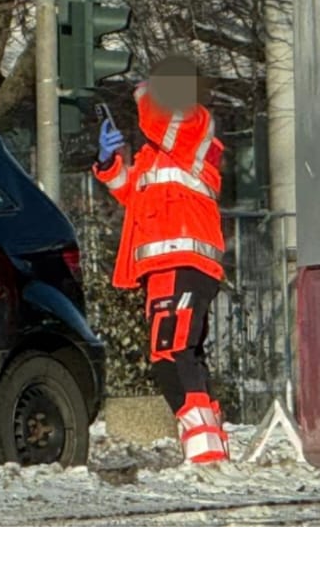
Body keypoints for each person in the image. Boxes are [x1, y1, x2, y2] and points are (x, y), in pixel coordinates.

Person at [94, 55, 230, 464]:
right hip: (169, 263)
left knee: (171, 355)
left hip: (180, 258)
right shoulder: (158, 154)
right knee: (182, 354)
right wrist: (109, 163)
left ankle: (204, 452)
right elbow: (131, 193)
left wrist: (141, 91)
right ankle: (209, 447)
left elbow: (159, 119)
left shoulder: (195, 123)